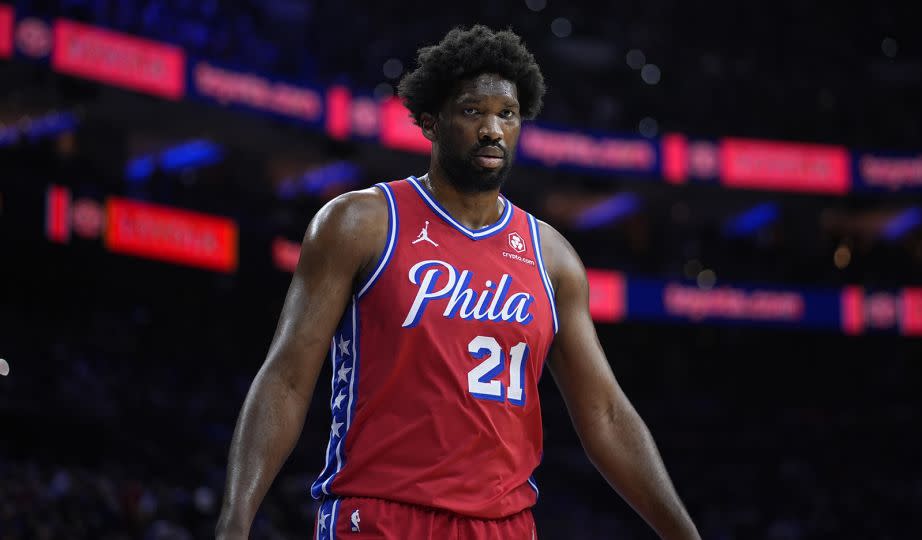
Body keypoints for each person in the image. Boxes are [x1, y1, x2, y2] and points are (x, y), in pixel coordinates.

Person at [216, 24, 700, 540]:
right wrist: (235, 519)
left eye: (507, 115)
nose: (493, 128)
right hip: (379, 516)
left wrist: (683, 533)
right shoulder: (359, 222)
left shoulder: (552, 259)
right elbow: (287, 379)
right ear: (430, 122)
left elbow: (603, 413)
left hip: (502, 527)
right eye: (473, 111)